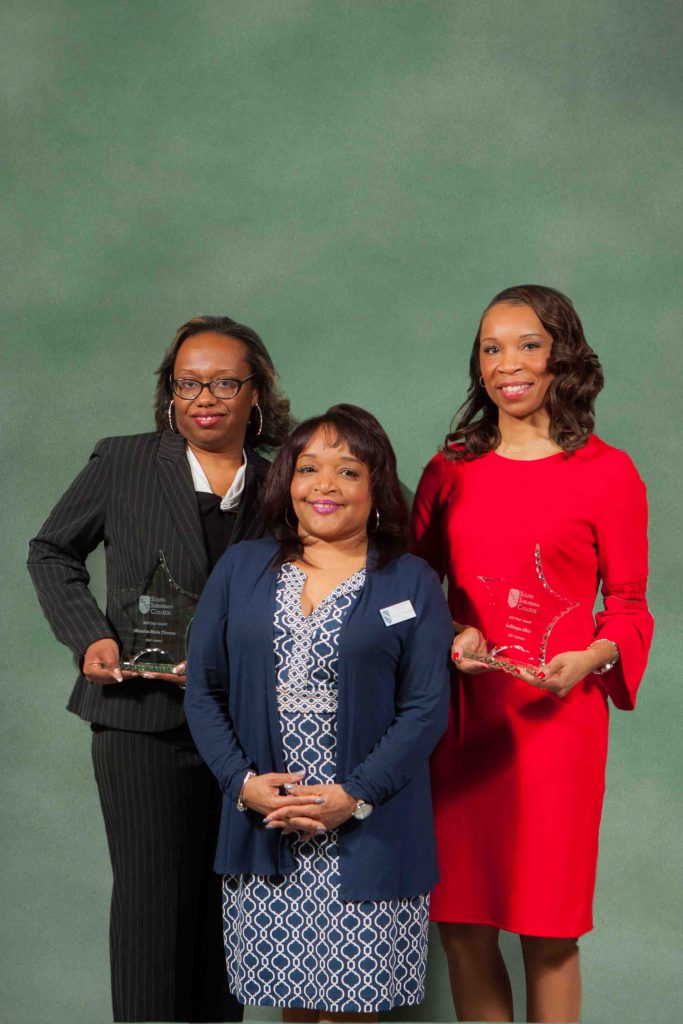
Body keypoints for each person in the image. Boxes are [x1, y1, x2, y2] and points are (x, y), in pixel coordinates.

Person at [27, 315, 291, 1023]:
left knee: (226, 910)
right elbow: (52, 551)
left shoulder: (283, 484)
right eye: (187, 383)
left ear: (255, 392)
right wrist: (89, 638)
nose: (204, 397)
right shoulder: (123, 462)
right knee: (151, 908)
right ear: (170, 395)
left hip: (241, 732)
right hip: (138, 722)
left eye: (224, 382)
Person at [411, 285, 654, 1024]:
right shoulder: (449, 468)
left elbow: (630, 607)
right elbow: (411, 586)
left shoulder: (608, 474)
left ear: (561, 357)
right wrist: (449, 634)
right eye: (490, 347)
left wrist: (592, 657)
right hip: (460, 726)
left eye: (526, 344)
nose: (506, 364)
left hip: (557, 731)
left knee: (548, 932)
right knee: (461, 922)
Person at [184, 404, 454, 1021]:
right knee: (291, 1007)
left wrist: (354, 796)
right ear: (288, 482)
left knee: (358, 1010)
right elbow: (204, 690)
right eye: (308, 468)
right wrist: (244, 785)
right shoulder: (241, 568)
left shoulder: (411, 581)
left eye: (348, 471)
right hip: (266, 827)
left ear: (377, 488)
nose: (324, 486)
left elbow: (425, 710)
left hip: (370, 829)